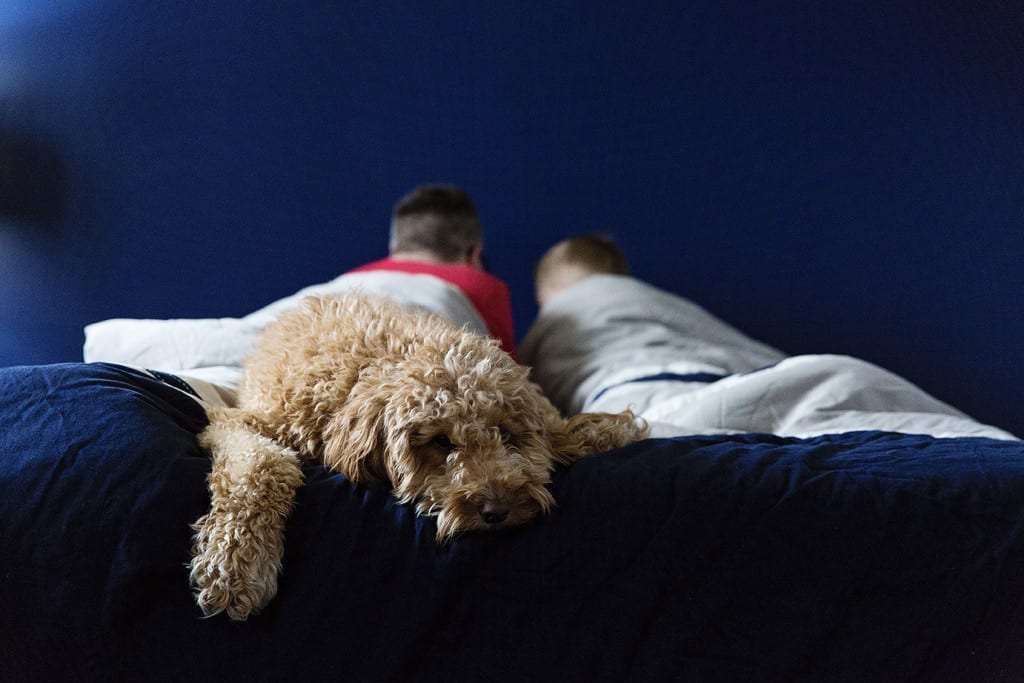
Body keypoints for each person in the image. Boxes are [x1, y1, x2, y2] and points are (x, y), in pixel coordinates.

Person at [520, 234, 1017, 441]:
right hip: (743, 383)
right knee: (842, 382)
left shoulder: (549, 325)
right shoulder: (679, 309)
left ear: (548, 294)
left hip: (647, 406)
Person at [347, 184, 517, 358]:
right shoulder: (482, 286)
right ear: (474, 253)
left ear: (395, 246)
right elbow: (510, 377)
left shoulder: (349, 279)